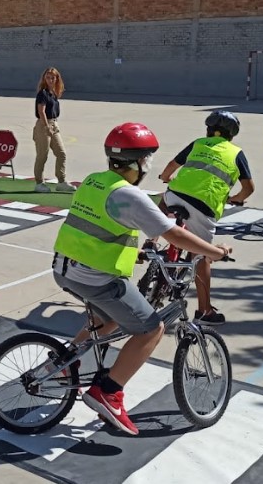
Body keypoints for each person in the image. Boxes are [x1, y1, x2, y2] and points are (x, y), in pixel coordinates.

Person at [53, 122, 232, 435]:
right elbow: (174, 234)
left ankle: (64, 362)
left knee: (108, 320)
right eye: (148, 159)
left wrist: (134, 250)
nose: (148, 165)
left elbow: (98, 224)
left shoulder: (95, 181)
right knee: (152, 329)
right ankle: (108, 392)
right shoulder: (130, 196)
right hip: (96, 277)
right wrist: (214, 252)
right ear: (139, 162)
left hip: (64, 268)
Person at [157, 110, 254, 325]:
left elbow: (171, 166)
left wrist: (166, 177)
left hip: (175, 194)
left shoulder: (198, 143)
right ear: (231, 135)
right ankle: (204, 311)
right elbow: (249, 188)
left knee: (161, 206)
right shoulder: (236, 153)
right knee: (201, 256)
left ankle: (151, 243)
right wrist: (235, 199)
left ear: (209, 130)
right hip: (203, 206)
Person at [33, 67, 75, 193]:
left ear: (57, 79)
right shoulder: (43, 93)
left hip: (54, 124)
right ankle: (39, 183)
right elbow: (41, 111)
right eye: (48, 77)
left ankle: (61, 182)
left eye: (52, 77)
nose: (50, 80)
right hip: (43, 125)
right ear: (44, 79)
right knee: (42, 155)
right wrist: (46, 127)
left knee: (61, 153)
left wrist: (52, 126)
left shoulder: (54, 93)